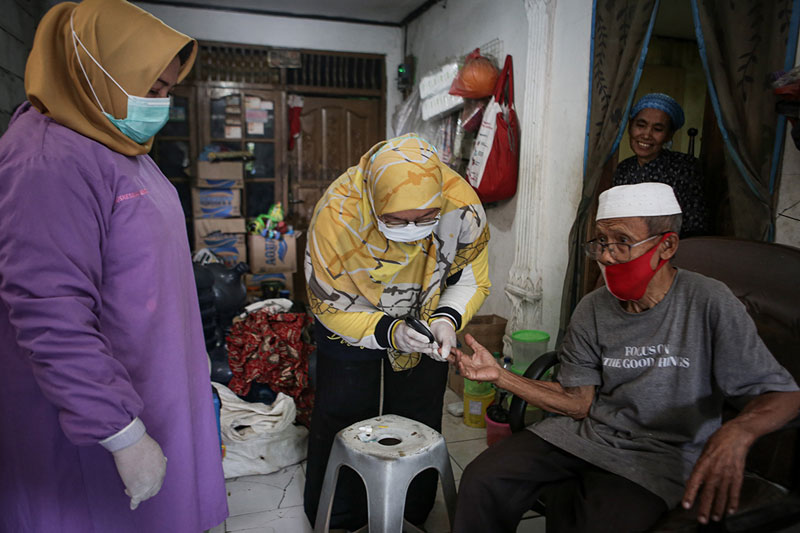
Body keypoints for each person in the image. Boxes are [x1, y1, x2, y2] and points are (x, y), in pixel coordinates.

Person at [451, 182, 800, 532]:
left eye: (621, 242)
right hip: (586, 433)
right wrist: (500, 376)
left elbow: (785, 394)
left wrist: (738, 432)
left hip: (659, 452)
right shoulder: (593, 308)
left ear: (666, 246)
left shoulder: (709, 302)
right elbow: (579, 403)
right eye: (601, 241)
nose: (605, 255)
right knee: (483, 480)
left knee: (600, 521)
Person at [0, 1, 228, 531]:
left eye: (167, 91)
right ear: (93, 71)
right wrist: (120, 432)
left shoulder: (122, 144)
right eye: (149, 89)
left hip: (155, 387)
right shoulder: (46, 161)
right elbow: (49, 313)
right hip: (97, 420)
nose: (159, 104)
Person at [303, 134, 490, 530]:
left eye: (425, 219)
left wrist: (446, 319)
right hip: (350, 315)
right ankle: (339, 514)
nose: (412, 230)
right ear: (373, 203)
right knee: (346, 411)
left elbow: (472, 277)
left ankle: (411, 509)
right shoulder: (338, 216)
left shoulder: (461, 206)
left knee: (419, 410)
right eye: (396, 220)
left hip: (424, 312)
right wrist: (388, 331)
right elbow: (326, 303)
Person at [613, 93, 710, 237]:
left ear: (669, 135)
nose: (646, 135)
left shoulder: (685, 168)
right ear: (630, 127)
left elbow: (696, 226)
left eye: (657, 129)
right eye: (640, 125)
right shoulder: (624, 169)